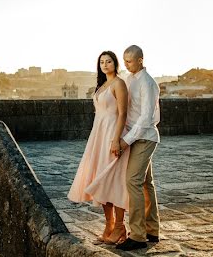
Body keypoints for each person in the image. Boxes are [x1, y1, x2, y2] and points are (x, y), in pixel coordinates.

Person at [67, 51, 131, 245]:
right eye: (102, 62)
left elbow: (122, 113)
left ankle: (120, 226)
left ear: (115, 63)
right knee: (100, 179)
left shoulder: (119, 83)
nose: (105, 65)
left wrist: (116, 139)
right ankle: (109, 225)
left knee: (114, 180)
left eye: (108, 61)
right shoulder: (102, 85)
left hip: (112, 133)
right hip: (99, 134)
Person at [115, 45, 161, 251]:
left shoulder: (147, 83)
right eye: (124, 61)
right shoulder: (128, 79)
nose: (126, 64)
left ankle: (138, 235)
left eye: (130, 61)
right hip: (136, 137)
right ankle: (152, 230)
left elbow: (146, 118)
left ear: (140, 60)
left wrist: (126, 140)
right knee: (145, 183)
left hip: (144, 138)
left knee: (132, 181)